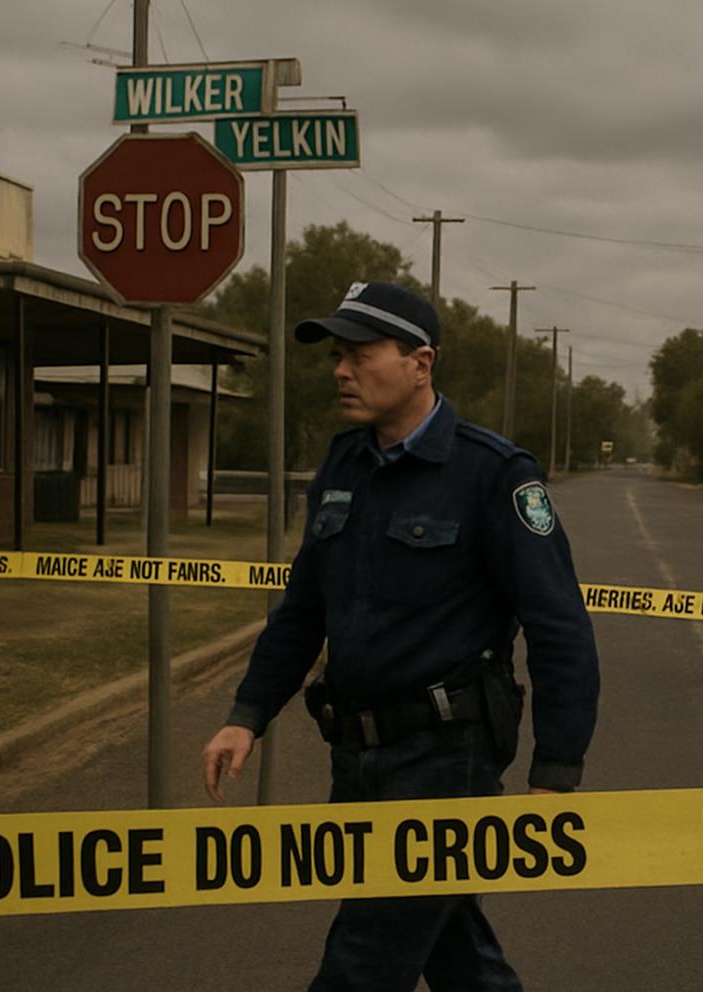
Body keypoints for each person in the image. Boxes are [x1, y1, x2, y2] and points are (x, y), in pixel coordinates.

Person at [201, 281, 600, 992]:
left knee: (364, 960)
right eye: (337, 356)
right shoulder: (342, 465)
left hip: (448, 759)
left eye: (359, 354)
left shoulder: (494, 473)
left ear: (422, 363)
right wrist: (247, 715)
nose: (340, 371)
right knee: (452, 948)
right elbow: (302, 609)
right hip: (357, 755)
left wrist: (555, 773)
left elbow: (559, 624)